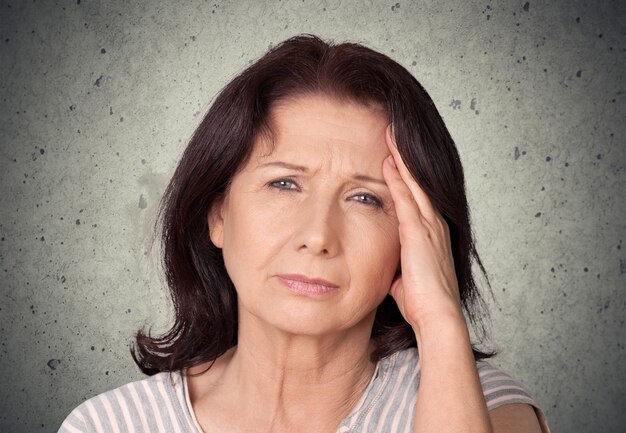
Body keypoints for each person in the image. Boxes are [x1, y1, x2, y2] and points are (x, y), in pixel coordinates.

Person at [58, 34, 550, 433]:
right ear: (217, 216)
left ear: (416, 237)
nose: (318, 236)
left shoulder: (483, 409)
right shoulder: (108, 426)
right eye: (284, 183)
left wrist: (442, 321)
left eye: (366, 198)